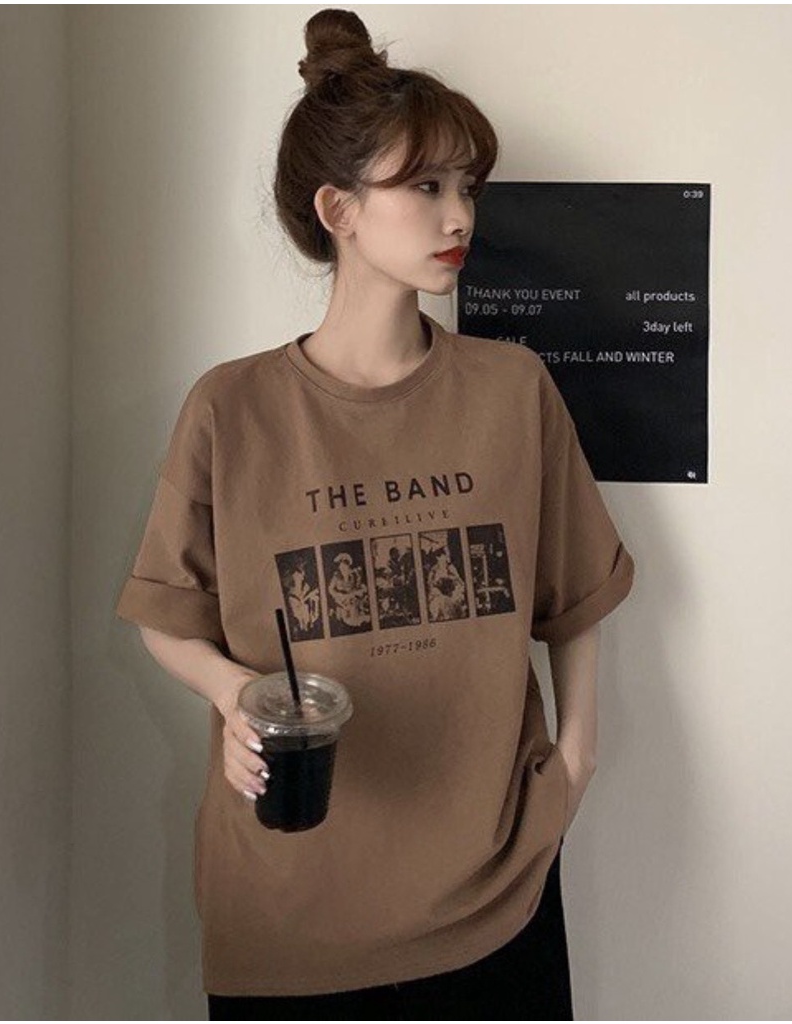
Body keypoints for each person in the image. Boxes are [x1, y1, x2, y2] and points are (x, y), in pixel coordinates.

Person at [115, 8, 635, 1020]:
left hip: (496, 889)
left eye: (467, 187)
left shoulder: (512, 391)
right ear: (338, 209)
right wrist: (233, 693)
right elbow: (164, 614)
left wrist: (576, 758)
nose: (460, 215)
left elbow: (576, 596)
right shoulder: (233, 408)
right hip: (289, 907)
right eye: (426, 186)